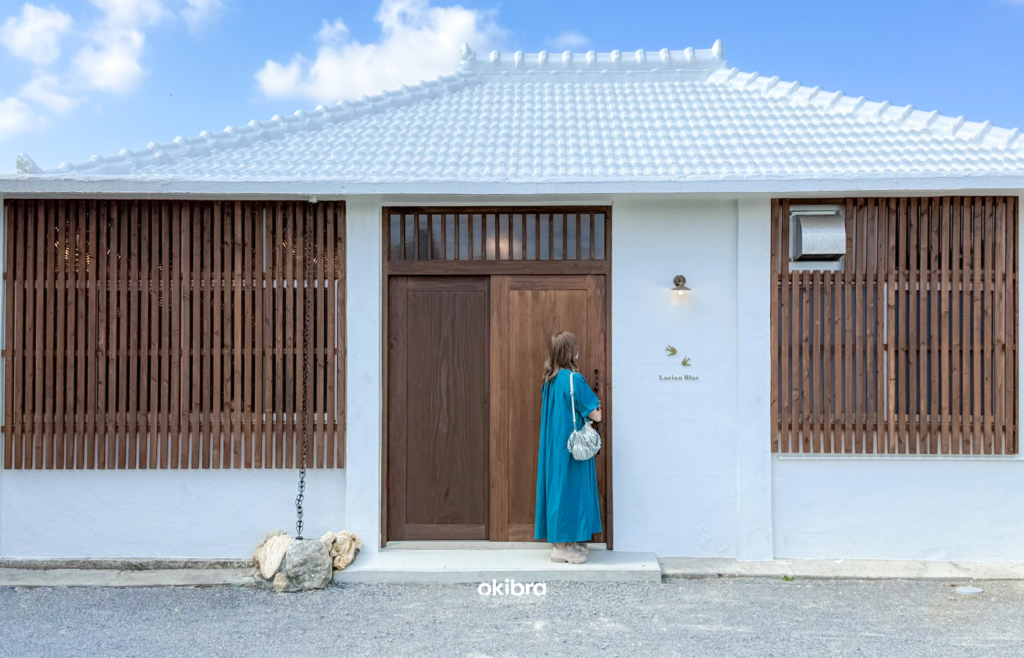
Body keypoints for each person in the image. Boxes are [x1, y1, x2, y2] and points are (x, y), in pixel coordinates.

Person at [534, 331, 603, 564]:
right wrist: (597, 412)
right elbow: (595, 413)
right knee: (573, 490)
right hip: (573, 447)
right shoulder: (575, 379)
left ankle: (564, 543)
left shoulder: (549, 380)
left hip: (554, 445)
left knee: (558, 489)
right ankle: (562, 548)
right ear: (570, 351)